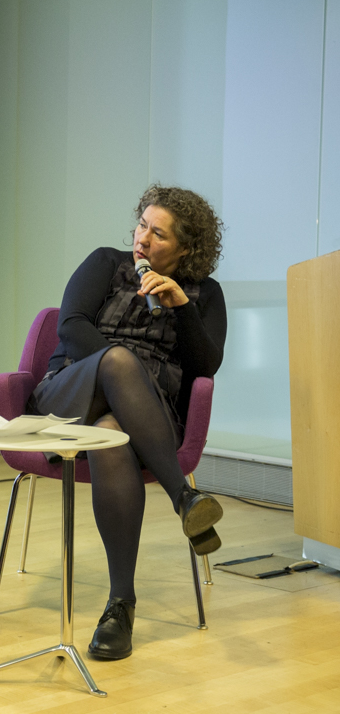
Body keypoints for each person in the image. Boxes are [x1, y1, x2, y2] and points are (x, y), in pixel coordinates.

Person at [28, 184, 227, 661]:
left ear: (185, 248)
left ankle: (121, 605)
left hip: (144, 415)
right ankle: (184, 497)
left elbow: (204, 368)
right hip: (72, 390)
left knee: (113, 438)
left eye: (158, 235)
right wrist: (121, 366)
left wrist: (182, 307)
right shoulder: (105, 263)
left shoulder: (205, 295)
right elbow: (71, 326)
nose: (142, 239)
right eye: (142, 225)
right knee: (118, 362)